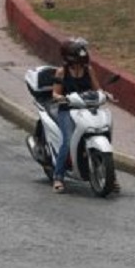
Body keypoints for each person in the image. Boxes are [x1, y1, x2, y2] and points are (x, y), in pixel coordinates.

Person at [49, 37, 101, 193]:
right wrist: (62, 98)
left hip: (86, 108)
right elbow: (55, 93)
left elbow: (97, 89)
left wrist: (104, 95)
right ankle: (58, 176)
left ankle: (109, 175)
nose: (81, 59)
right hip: (68, 110)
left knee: (100, 132)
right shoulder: (62, 72)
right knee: (68, 140)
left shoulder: (88, 70)